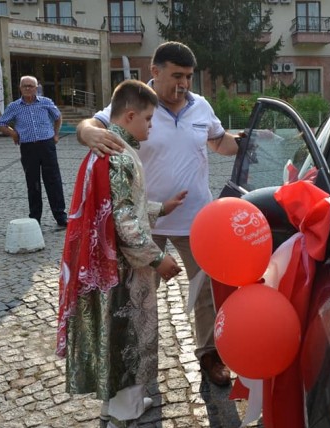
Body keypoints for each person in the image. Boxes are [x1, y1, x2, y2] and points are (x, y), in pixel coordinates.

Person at [76, 41, 239, 387]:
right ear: (154, 72)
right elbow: (94, 123)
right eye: (176, 75)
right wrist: (88, 130)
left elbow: (219, 141)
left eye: (189, 77)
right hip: (145, 224)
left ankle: (210, 355)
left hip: (198, 221)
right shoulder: (138, 104)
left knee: (207, 289)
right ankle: (138, 366)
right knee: (139, 296)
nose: (183, 84)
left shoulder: (201, 106)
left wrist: (250, 142)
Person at [57, 79, 186, 427]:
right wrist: (159, 259)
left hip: (106, 265)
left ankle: (112, 403)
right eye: (147, 119)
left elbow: (122, 205)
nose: (150, 126)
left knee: (114, 334)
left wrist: (162, 208)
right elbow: (126, 223)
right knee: (128, 334)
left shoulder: (107, 152)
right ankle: (126, 407)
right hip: (124, 271)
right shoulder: (121, 158)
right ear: (129, 115)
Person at [0, 75, 68, 226]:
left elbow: (58, 117)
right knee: (33, 182)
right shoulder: (14, 106)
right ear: (20, 88)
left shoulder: (46, 102)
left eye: (31, 86)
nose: (28, 88)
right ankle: (35, 217)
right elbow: (1, 123)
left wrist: (56, 134)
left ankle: (60, 216)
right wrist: (13, 133)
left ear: (37, 88)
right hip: (29, 148)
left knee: (53, 181)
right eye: (25, 86)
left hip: (47, 145)